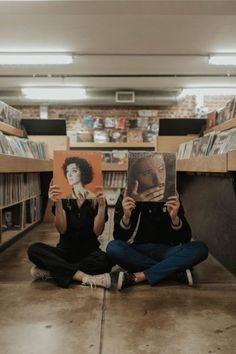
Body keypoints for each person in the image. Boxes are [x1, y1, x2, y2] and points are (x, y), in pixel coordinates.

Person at [27, 161, 113, 289]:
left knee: (105, 261)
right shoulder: (63, 198)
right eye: (67, 171)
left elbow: (97, 232)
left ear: (83, 173)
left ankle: (53, 271)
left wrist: (101, 207)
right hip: (64, 252)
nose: (69, 175)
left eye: (74, 171)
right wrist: (58, 203)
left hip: (89, 252)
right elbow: (62, 229)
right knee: (33, 249)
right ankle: (83, 277)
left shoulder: (97, 198)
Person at [106, 189, 208, 290]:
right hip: (136, 251)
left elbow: (185, 238)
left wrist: (174, 218)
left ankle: (140, 275)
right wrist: (126, 217)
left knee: (200, 248)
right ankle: (173, 273)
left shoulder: (170, 196)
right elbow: (119, 238)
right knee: (113, 247)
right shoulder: (126, 196)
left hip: (167, 251)